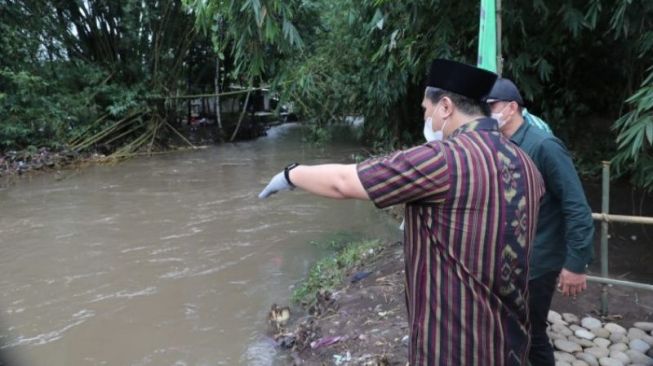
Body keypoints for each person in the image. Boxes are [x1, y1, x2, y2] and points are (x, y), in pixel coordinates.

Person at [259, 59, 545, 365]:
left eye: (426, 109)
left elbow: (345, 182)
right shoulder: (525, 163)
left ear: (445, 107)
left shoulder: (443, 160)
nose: (426, 117)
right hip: (511, 342)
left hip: (454, 347)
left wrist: (291, 175)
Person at [486, 78, 594, 366]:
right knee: (508, 331)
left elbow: (576, 205)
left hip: (538, 261)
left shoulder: (544, 146)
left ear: (511, 108)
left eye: (491, 107)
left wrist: (575, 264)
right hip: (508, 260)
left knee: (532, 334)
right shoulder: (497, 146)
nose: (487, 114)